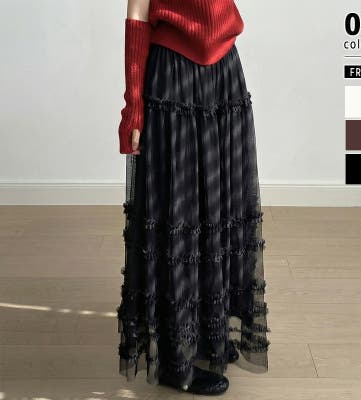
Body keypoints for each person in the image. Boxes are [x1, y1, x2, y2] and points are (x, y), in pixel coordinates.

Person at [115, 0, 270, 395]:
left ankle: (206, 333)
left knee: (218, 204)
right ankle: (174, 357)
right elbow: (137, 12)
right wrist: (134, 104)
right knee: (178, 211)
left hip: (223, 70)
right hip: (173, 74)